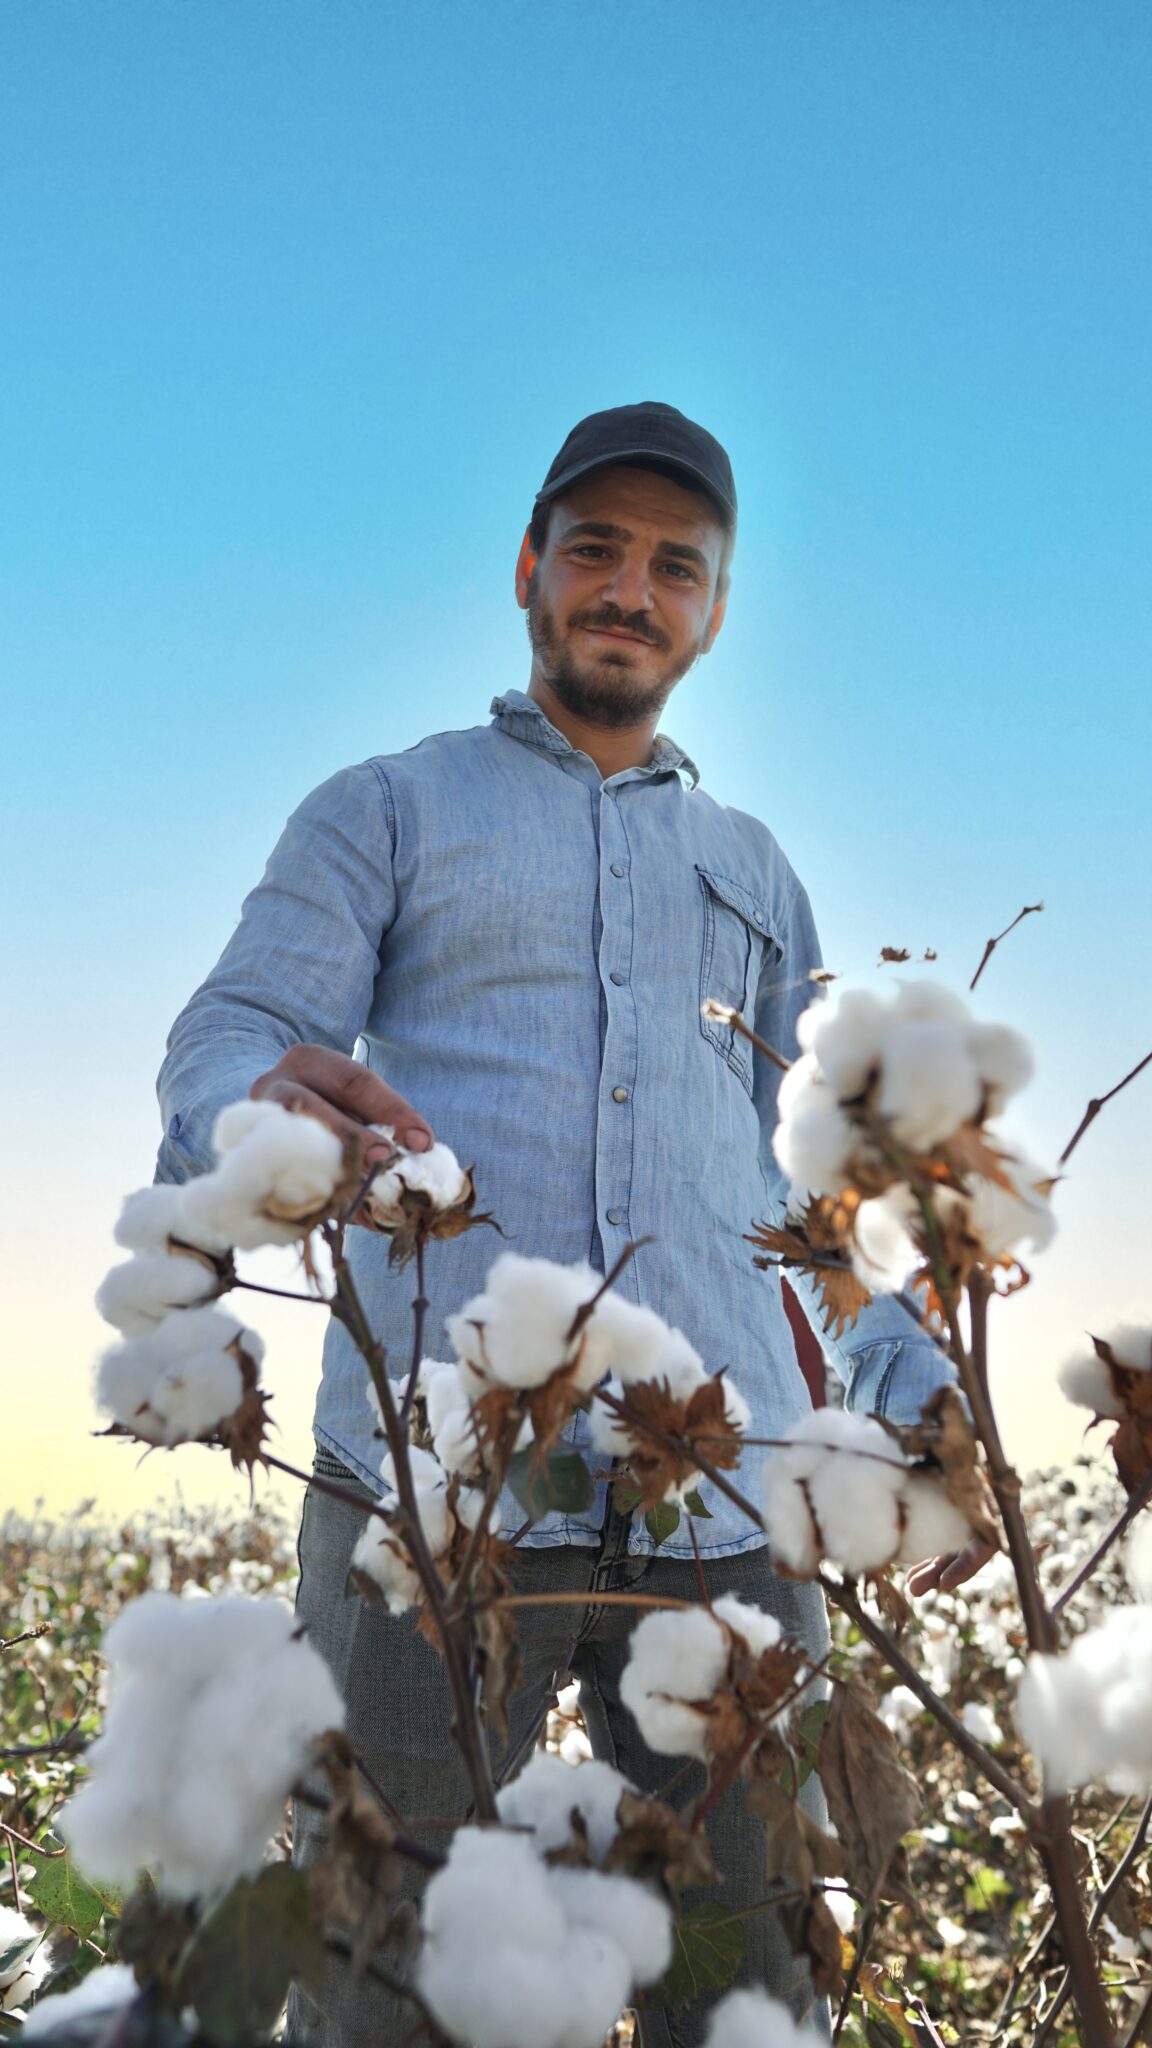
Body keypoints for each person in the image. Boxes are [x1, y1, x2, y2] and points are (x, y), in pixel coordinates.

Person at [156, 402, 984, 2048]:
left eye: (676, 567)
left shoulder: (756, 868)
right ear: (530, 567)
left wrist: (916, 1388)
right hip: (432, 1488)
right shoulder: (386, 808)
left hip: (727, 1503)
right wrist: (262, 1108)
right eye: (595, 550)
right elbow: (237, 1028)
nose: (630, 590)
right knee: (381, 1975)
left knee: (744, 1988)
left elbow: (816, 1175)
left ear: (715, 613)